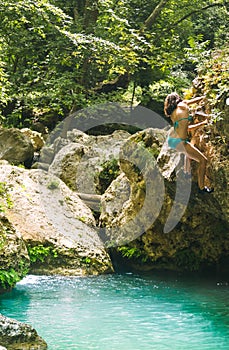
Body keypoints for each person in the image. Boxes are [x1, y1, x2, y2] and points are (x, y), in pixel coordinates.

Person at [164, 92, 213, 193]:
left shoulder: (173, 113)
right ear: (178, 99)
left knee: (190, 152)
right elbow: (197, 100)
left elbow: (187, 128)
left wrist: (202, 123)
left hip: (173, 140)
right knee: (203, 160)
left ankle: (186, 173)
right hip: (180, 142)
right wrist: (205, 96)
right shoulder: (182, 104)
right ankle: (201, 188)